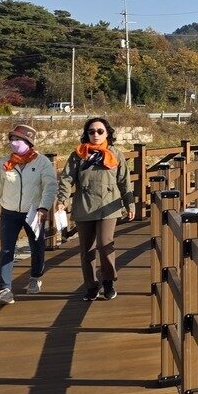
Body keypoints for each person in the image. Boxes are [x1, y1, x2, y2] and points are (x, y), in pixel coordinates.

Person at [58, 117, 133, 301]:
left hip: (109, 206)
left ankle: (108, 281)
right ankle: (91, 286)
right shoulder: (78, 154)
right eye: (91, 131)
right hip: (84, 206)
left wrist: (129, 203)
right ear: (86, 134)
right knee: (86, 249)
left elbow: (124, 181)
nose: (96, 135)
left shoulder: (115, 154)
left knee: (104, 243)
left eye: (100, 131)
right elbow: (67, 179)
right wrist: (62, 200)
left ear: (107, 133)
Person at [0, 124, 57, 305]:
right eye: (11, 139)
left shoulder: (42, 163)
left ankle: (35, 277)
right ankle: (4, 288)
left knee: (36, 246)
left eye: (18, 140)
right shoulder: (4, 163)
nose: (13, 143)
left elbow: (50, 187)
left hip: (33, 212)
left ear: (28, 142)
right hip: (9, 212)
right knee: (7, 249)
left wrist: (43, 208)